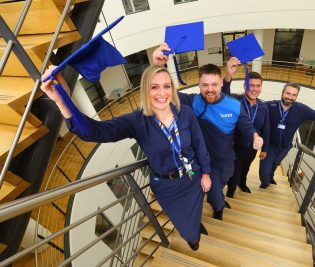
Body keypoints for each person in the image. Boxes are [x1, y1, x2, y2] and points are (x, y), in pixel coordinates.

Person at [40, 65, 212, 251]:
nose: (162, 93)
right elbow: (94, 132)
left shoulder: (185, 113)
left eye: (166, 86)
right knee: (187, 231)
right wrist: (62, 100)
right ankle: (193, 238)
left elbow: (199, 145)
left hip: (193, 177)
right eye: (154, 87)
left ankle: (195, 225)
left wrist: (206, 173)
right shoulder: (137, 121)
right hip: (167, 188)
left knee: (194, 213)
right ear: (146, 89)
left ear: (172, 89)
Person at [153, 43, 263, 220]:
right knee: (215, 194)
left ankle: (218, 200)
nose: (209, 89)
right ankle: (218, 208)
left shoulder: (234, 105)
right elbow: (166, 92)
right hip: (205, 163)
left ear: (221, 83)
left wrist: (256, 137)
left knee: (220, 186)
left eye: (214, 84)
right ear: (198, 85)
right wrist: (158, 67)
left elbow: (247, 127)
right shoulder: (193, 102)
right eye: (204, 85)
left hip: (227, 162)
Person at [259, 82, 315, 188]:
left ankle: (271, 177)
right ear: (282, 93)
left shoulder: (301, 109)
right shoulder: (270, 105)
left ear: (296, 96)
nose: (290, 97)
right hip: (269, 146)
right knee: (264, 172)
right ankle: (265, 183)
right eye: (288, 93)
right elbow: (256, 110)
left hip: (285, 147)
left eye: (294, 95)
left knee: (275, 164)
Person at [222, 57, 270, 197]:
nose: (254, 89)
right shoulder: (235, 100)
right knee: (234, 174)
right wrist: (228, 75)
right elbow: (223, 95)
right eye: (251, 85)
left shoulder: (263, 107)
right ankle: (231, 191)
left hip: (251, 149)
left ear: (261, 87)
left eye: (258, 86)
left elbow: (266, 129)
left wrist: (265, 149)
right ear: (244, 86)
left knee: (246, 169)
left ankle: (243, 183)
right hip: (235, 147)